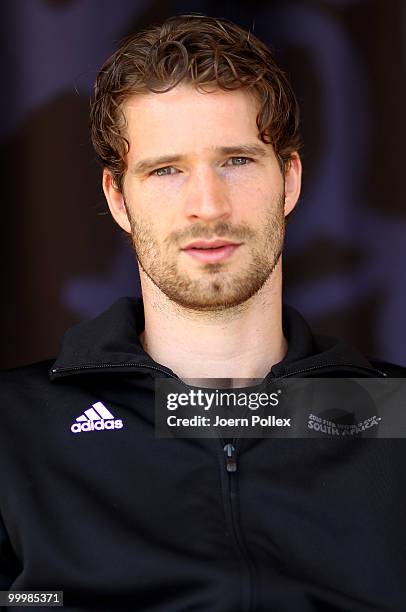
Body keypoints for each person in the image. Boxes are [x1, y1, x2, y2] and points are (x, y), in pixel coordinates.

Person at [1, 13, 405, 612]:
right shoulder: (16, 428)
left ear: (289, 179)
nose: (207, 205)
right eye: (166, 170)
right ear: (118, 197)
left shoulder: (394, 420)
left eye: (237, 160)